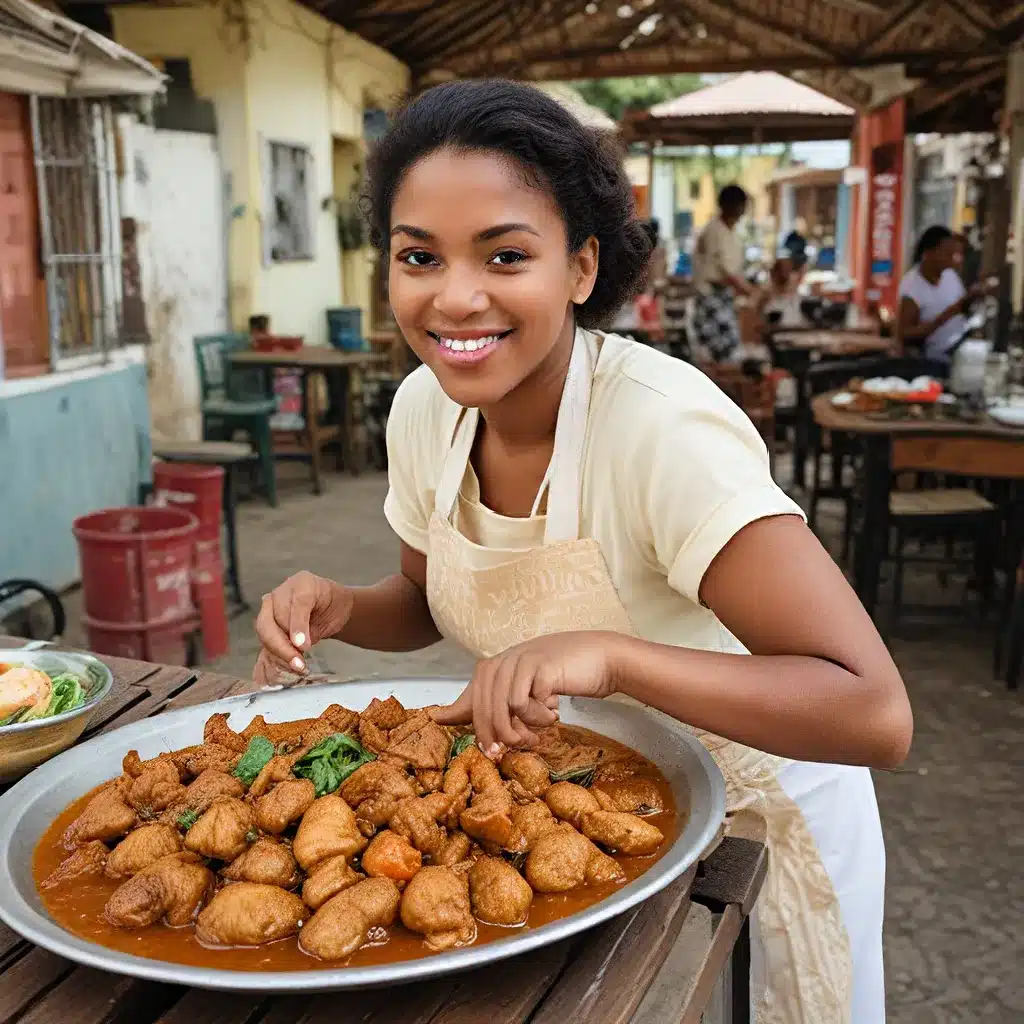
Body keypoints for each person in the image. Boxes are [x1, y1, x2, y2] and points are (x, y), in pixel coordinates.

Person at [254, 80, 911, 1023]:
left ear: (580, 266)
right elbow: (429, 600)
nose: (456, 297)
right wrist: (343, 608)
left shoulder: (659, 430)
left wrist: (610, 658)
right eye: (418, 257)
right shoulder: (424, 409)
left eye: (506, 255)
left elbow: (875, 713)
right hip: (600, 812)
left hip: (767, 825)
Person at [898, 225, 985, 362]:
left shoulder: (950, 275)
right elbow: (905, 334)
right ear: (928, 254)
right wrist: (948, 314)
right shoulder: (912, 287)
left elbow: (960, 309)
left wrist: (971, 298)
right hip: (935, 359)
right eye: (947, 254)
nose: (953, 260)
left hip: (961, 346)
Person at [691, 184, 758, 362]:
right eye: (740, 205)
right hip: (710, 298)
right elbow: (727, 273)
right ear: (728, 205)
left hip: (724, 297)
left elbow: (735, 271)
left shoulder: (732, 233)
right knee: (719, 354)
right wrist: (751, 291)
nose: (743, 210)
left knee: (729, 350)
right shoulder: (714, 230)